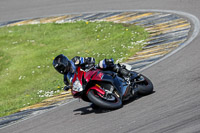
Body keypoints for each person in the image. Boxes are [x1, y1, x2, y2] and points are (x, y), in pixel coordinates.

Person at [52, 54, 131, 91]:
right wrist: (69, 87)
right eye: (59, 69)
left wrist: (88, 62)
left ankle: (122, 71)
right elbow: (72, 86)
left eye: (61, 67)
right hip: (85, 84)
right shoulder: (66, 78)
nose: (61, 70)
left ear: (65, 62)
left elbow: (90, 59)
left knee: (103, 63)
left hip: (92, 72)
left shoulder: (75, 60)